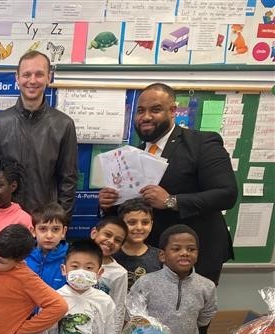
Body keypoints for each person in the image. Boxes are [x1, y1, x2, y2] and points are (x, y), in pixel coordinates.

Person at [98, 82, 237, 285]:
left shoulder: (202, 144)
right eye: (140, 111)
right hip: (150, 257)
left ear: (173, 111)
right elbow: (133, 209)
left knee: (189, 313)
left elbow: (227, 194)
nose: (145, 117)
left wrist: (171, 201)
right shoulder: (130, 155)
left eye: (155, 110)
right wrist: (108, 205)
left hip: (192, 253)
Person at [0, 51, 78, 215]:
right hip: (4, 223)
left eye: (39, 74)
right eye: (26, 74)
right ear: (17, 78)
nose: (32, 80)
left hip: (44, 225)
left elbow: (68, 182)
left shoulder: (64, 125)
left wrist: (58, 222)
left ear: (49, 77)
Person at [128, 225, 218, 334]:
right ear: (162, 255)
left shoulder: (206, 286)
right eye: (176, 249)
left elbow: (204, 319)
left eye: (191, 249)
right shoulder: (146, 283)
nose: (184, 253)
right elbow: (133, 319)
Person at [90, 216, 129, 334]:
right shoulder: (74, 260)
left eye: (118, 240)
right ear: (94, 233)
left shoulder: (119, 273)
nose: (111, 241)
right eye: (107, 234)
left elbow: (118, 309)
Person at [115, 198, 162, 291]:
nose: (139, 227)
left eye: (145, 222)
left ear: (151, 224)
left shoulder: (160, 257)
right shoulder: (111, 255)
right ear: (120, 224)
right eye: (132, 222)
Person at [25, 205, 69, 291]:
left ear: (63, 232)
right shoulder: (22, 257)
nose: (49, 236)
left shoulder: (70, 258)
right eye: (43, 229)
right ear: (33, 231)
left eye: (55, 229)